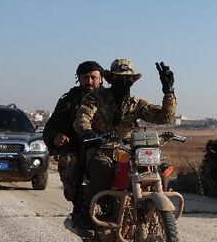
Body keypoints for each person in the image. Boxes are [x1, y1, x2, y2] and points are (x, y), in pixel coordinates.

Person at [70, 58, 176, 233]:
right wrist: (87, 131)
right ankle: (85, 214)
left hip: (128, 152)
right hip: (101, 149)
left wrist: (168, 90)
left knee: (158, 169)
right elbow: (82, 118)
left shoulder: (137, 104)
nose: (124, 83)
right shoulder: (96, 98)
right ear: (111, 80)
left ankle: (151, 211)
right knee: (103, 169)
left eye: (128, 80)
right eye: (119, 79)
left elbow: (164, 117)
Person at [42, 60, 105, 218]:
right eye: (85, 78)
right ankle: (81, 209)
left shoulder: (110, 98)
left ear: (101, 78)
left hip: (107, 147)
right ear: (79, 79)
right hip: (77, 148)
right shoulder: (69, 100)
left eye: (93, 77)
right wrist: (55, 137)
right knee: (70, 162)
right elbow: (50, 127)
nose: (89, 82)